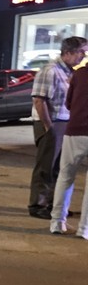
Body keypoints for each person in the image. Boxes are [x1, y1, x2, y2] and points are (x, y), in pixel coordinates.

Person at [28, 36, 87, 218]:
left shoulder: (70, 72)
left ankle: (54, 205)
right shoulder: (50, 71)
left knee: (59, 168)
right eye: (81, 52)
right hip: (51, 123)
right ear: (68, 52)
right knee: (46, 166)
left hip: (64, 123)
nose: (83, 56)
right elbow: (39, 100)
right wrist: (49, 127)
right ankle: (38, 206)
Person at [50, 55, 88, 236]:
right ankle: (84, 229)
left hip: (75, 130)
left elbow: (69, 103)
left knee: (65, 176)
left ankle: (57, 223)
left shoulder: (80, 74)